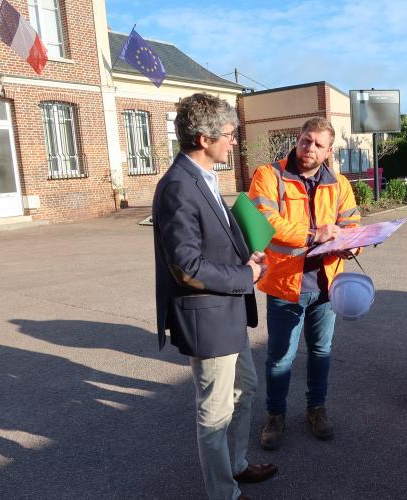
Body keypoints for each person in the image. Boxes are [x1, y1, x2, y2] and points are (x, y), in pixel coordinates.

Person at [152, 94, 277, 500]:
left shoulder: (204, 176)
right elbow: (186, 266)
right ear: (204, 138)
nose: (234, 142)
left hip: (228, 313)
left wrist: (248, 254)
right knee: (214, 412)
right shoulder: (177, 186)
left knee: (245, 390)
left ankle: (236, 466)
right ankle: (223, 492)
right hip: (207, 319)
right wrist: (247, 274)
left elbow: (213, 242)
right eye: (228, 135)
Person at [247, 117, 361, 450]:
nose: (309, 148)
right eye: (305, 140)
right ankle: (275, 415)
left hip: (326, 285)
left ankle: (316, 409)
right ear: (298, 139)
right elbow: (265, 220)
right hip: (286, 283)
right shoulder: (269, 175)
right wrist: (313, 235)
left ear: (329, 151)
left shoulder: (339, 184)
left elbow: (350, 222)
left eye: (318, 145)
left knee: (321, 351)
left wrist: (354, 241)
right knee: (281, 356)